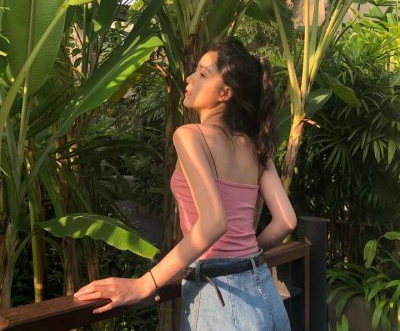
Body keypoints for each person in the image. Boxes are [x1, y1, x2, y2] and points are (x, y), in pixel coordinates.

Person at [75, 36, 297, 330]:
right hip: (264, 293)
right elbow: (286, 221)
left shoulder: (189, 135)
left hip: (222, 298)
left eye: (203, 73)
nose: (190, 78)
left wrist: (144, 284)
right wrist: (245, 255)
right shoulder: (254, 145)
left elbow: (214, 223)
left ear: (225, 92)